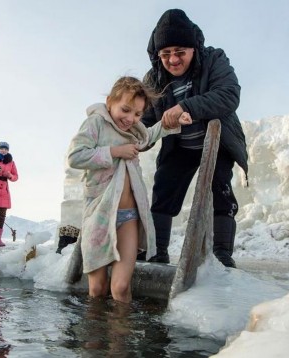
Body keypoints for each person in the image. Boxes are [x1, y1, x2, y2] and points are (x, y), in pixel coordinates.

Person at [67, 76, 190, 303]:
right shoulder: (96, 124)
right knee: (97, 288)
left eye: (137, 114)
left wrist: (173, 122)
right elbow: (75, 156)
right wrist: (115, 152)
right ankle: (94, 337)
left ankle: (119, 338)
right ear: (110, 101)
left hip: (129, 217)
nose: (130, 119)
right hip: (100, 217)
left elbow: (149, 136)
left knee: (121, 287)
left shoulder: (134, 130)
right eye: (125, 110)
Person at [140, 9, 248, 267]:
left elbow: (229, 94)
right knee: (164, 189)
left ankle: (221, 256)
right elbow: (145, 118)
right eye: (165, 54)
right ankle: (158, 252)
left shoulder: (214, 59)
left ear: (193, 48)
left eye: (180, 52)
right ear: (157, 55)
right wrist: (136, 138)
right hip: (179, 144)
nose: (173, 60)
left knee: (220, 190)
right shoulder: (153, 78)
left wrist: (185, 107)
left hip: (217, 140)